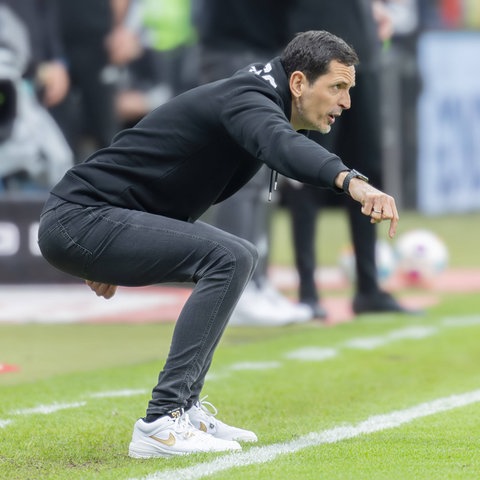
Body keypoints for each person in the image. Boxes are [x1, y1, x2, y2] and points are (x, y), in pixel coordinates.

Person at [37, 30, 399, 458]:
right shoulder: (250, 98)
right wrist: (351, 181)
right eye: (337, 87)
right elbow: (282, 146)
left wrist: (111, 256)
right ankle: (161, 419)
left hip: (103, 217)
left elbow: (171, 179)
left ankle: (184, 408)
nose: (346, 102)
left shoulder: (258, 95)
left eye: (349, 90)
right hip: (79, 217)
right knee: (231, 256)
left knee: (234, 256)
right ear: (299, 83)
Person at [282, 0, 411, 318]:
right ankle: (307, 293)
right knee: (308, 171)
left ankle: (368, 289)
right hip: (316, 61)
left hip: (362, 57)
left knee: (367, 170)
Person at [196, 0, 312, 326]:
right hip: (235, 50)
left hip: (258, 48)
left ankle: (256, 281)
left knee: (261, 173)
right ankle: (234, 289)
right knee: (242, 173)